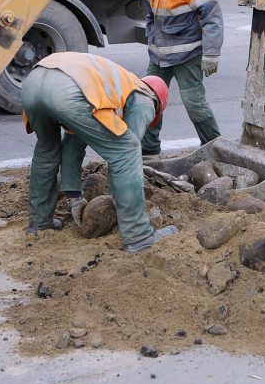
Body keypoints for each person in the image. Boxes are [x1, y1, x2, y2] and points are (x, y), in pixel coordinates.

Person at [21, 51, 178, 253]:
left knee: (46, 150)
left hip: (34, 80)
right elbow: (125, 154)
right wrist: (116, 196)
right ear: (158, 105)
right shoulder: (145, 97)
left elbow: (72, 146)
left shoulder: (112, 88)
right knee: (127, 151)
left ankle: (40, 223)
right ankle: (138, 236)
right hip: (69, 87)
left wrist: (74, 196)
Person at [140, 0, 222, 156]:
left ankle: (215, 148)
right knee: (149, 101)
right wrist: (150, 36)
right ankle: (149, 149)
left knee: (195, 105)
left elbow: (212, 16)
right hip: (158, 55)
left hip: (187, 55)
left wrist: (212, 54)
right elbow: (152, 9)